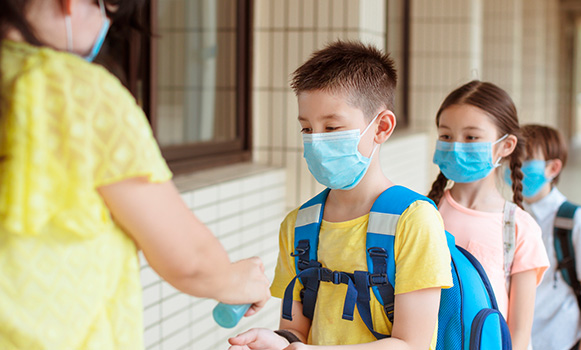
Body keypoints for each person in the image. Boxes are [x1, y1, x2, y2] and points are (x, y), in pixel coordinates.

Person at [0, 0, 271, 349]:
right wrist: (240, 280)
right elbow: (191, 260)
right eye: (108, 13)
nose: (105, 29)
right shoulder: (72, 90)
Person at [227, 41, 452, 350]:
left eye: (332, 127)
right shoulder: (298, 225)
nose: (317, 142)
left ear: (381, 128)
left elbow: (411, 343)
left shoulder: (414, 220)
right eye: (307, 129)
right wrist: (276, 342)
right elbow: (296, 332)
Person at [426, 80, 549, 350]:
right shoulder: (422, 213)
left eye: (471, 137)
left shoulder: (519, 229)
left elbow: (518, 333)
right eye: (446, 136)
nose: (456, 146)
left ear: (506, 146)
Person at [516, 125, 581, 350]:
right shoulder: (512, 216)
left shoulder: (576, 220)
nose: (517, 168)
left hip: (561, 338)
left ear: (553, 168)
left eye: (527, 160)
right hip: (521, 338)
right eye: (515, 159)